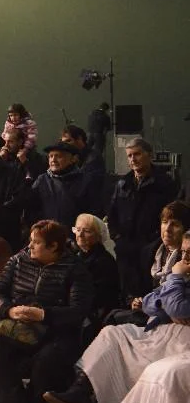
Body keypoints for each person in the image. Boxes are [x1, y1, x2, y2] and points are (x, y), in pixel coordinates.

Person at [42, 243, 190, 403]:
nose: (185, 257)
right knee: (111, 334)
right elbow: (149, 302)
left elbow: (180, 309)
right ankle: (80, 391)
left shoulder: (178, 274)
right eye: (183, 251)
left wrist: (175, 279)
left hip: (181, 344)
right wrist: (165, 303)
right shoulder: (181, 275)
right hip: (160, 334)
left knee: (126, 363)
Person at [0, 219, 93, 403]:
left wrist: (43, 315)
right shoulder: (18, 261)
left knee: (46, 360)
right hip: (19, 326)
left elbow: (78, 311)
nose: (30, 246)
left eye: (36, 242)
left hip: (57, 332)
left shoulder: (74, 269)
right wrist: (9, 310)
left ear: (53, 246)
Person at [107, 138, 178, 302]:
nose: (133, 159)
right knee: (128, 290)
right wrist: (116, 236)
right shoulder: (122, 183)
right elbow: (112, 212)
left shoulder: (165, 183)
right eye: (129, 156)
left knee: (149, 288)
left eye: (137, 154)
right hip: (126, 246)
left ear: (149, 155)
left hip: (152, 245)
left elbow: (171, 214)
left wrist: (156, 239)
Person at [29, 141, 100, 227]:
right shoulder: (42, 180)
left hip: (76, 232)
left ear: (73, 159)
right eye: (50, 156)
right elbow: (31, 208)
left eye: (58, 156)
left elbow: (94, 212)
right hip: (48, 232)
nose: (53, 160)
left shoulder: (86, 181)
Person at [72, 213, 121, 333]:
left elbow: (99, 297)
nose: (80, 234)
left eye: (87, 231)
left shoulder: (104, 260)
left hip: (97, 316)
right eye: (78, 229)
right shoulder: (76, 256)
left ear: (98, 236)